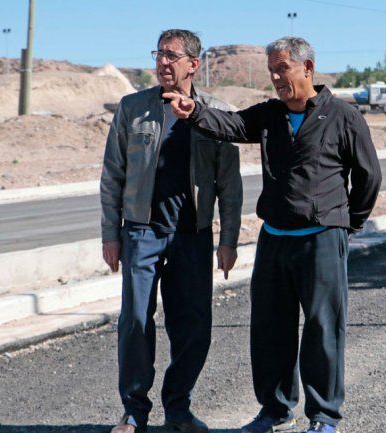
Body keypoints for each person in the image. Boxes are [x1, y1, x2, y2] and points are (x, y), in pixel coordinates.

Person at [163, 36, 382, 433]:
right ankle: (276, 410)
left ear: (308, 69)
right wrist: (194, 112)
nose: (276, 77)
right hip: (274, 239)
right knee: (269, 330)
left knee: (322, 331)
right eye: (271, 70)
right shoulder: (270, 114)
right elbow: (231, 125)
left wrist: (348, 224)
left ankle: (324, 416)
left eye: (282, 68)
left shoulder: (343, 117)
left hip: (321, 239)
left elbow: (368, 176)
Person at [100, 29, 242, 433]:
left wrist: (228, 240)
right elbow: (113, 175)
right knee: (135, 323)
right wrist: (111, 234)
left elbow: (230, 185)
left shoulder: (214, 112)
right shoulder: (133, 108)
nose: (162, 62)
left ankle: (178, 408)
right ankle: (134, 412)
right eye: (158, 54)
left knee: (194, 326)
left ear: (193, 65)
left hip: (193, 235)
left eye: (171, 56)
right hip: (141, 233)